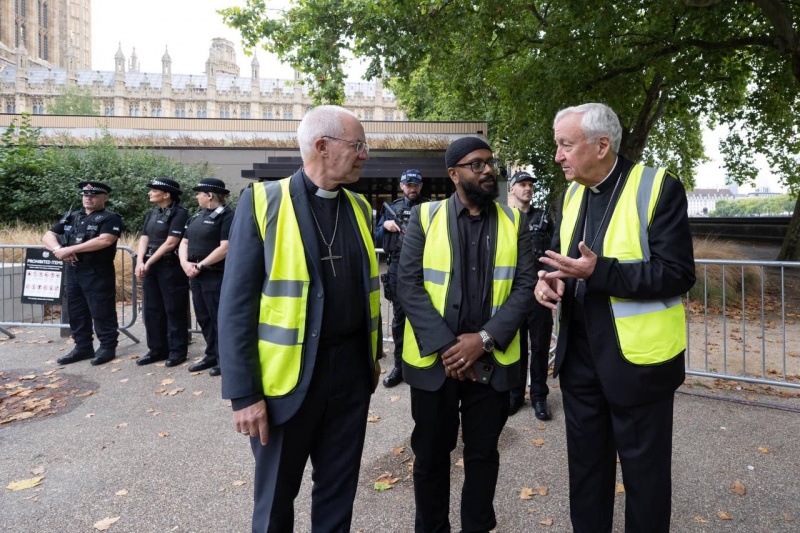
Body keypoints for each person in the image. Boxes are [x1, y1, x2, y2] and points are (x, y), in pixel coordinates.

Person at [217, 105, 382, 532]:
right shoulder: (263, 201)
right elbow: (236, 304)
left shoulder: (360, 207)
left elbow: (367, 290)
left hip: (350, 374)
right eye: (358, 145)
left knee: (338, 495)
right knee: (275, 500)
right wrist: (243, 393)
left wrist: (372, 358)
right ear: (322, 146)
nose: (365, 155)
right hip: (286, 383)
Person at [536, 103, 695, 533]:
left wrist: (599, 271)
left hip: (639, 364)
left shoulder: (658, 187)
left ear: (602, 145)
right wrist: (548, 282)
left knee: (646, 482)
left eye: (566, 145)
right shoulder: (571, 194)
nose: (558, 156)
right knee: (586, 475)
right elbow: (564, 262)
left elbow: (678, 273)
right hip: (579, 361)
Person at [397, 136, 536, 533]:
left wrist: (484, 339)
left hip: (491, 362)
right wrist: (449, 347)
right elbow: (408, 284)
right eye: (476, 164)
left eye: (490, 162)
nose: (488, 170)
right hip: (434, 364)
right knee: (430, 457)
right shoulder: (424, 218)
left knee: (483, 455)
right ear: (454, 174)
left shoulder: (515, 222)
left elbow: (525, 287)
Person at [42, 181, 123, 366]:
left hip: (97, 271)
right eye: (85, 195)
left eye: (93, 195)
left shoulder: (110, 218)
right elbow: (47, 236)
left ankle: (107, 347)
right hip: (73, 270)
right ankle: (83, 347)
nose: (88, 198)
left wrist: (71, 249)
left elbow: (105, 240)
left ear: (105, 198)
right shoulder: (72, 216)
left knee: (102, 311)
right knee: (76, 311)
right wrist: (59, 249)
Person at [506, 171, 555, 420]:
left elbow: (554, 252)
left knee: (539, 346)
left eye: (530, 185)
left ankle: (538, 396)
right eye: (522, 184)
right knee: (515, 347)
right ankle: (515, 394)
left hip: (540, 293)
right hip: (514, 293)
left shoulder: (544, 218)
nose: (527, 188)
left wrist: (547, 279)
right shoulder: (505, 218)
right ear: (512, 189)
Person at [375, 168, 429, 388]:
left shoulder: (429, 208)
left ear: (421, 186)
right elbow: (377, 235)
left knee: (423, 318)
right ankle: (399, 366)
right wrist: (385, 226)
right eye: (408, 185)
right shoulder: (393, 209)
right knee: (399, 319)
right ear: (402, 186)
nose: (412, 188)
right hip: (397, 266)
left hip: (423, 267)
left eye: (416, 185)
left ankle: (421, 366)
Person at [178, 177, 234, 377]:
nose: (196, 197)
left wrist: (201, 265)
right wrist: (185, 263)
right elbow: (184, 242)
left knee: (218, 317)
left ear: (209, 195)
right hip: (195, 274)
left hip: (214, 274)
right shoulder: (197, 216)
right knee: (203, 316)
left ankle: (223, 358)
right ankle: (211, 354)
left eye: (199, 194)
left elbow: (225, 247)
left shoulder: (227, 216)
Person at [135, 178, 190, 368]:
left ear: (166, 194)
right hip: (150, 267)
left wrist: (148, 262)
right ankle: (156, 349)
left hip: (169, 267)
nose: (149, 193)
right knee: (152, 309)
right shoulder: (152, 213)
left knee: (173, 309)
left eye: (154, 190)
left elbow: (171, 242)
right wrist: (140, 261)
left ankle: (177, 351)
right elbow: (144, 238)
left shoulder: (180, 213)